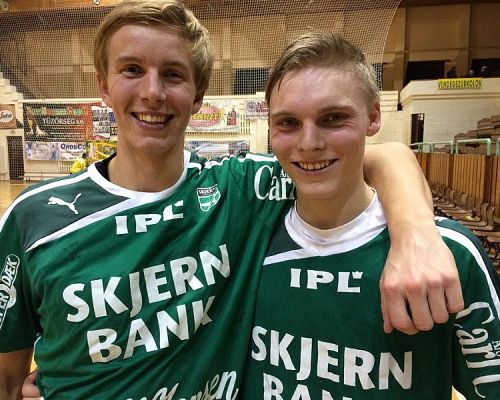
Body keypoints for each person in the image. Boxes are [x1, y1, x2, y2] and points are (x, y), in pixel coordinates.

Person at [0, 1, 462, 399]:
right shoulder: (33, 218)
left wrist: (416, 236)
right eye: (132, 70)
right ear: (104, 85)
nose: (152, 92)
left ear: (198, 95)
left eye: (173, 74)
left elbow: (382, 155)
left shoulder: (239, 189)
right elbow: (7, 377)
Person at [240, 32, 500, 399]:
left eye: (333, 118)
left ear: (373, 117)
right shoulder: (247, 238)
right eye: (288, 123)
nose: (309, 143)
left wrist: (413, 232)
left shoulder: (445, 253)